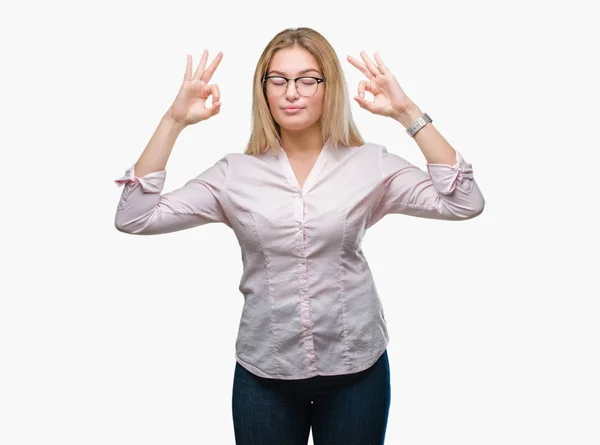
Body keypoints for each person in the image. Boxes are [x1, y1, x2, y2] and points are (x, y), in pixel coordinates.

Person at [114, 26, 484, 445]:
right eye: (279, 80)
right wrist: (173, 121)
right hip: (265, 373)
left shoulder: (370, 165)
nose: (292, 92)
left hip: (356, 370)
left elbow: (464, 202)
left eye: (308, 79)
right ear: (264, 90)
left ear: (329, 88)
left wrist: (407, 113)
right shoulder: (234, 174)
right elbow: (134, 217)